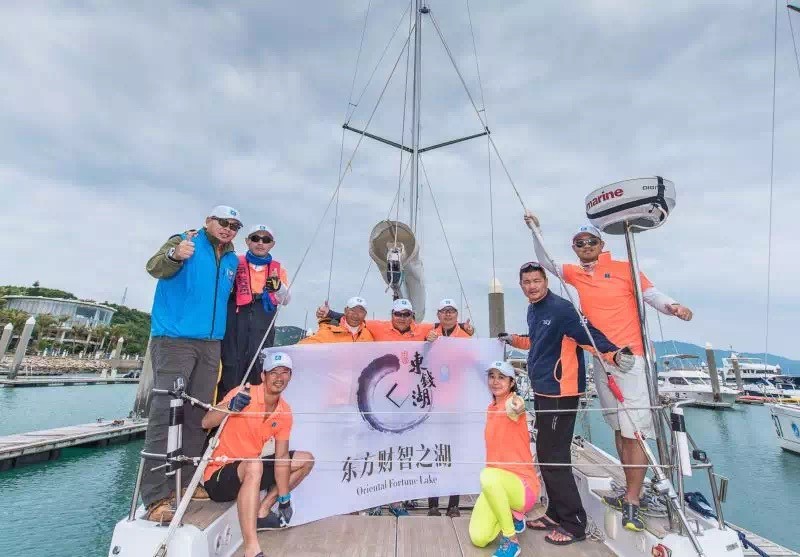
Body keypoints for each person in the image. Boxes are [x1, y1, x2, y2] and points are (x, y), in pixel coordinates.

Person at [525, 212, 693, 532]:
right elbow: (545, 262)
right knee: (618, 428)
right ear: (575, 247)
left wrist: (673, 307)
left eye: (591, 241)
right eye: (579, 242)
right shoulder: (576, 273)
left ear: (601, 244)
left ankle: (633, 499)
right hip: (602, 360)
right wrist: (536, 228)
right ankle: (632, 492)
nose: (585, 246)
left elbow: (651, 294)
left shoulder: (624, 269)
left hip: (631, 357)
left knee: (635, 431)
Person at [500, 262, 632, 545]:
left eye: (536, 280)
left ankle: (574, 523)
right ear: (521, 285)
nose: (532, 286)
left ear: (545, 281)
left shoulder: (562, 309)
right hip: (544, 391)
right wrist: (512, 339)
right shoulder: (534, 309)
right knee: (547, 454)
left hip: (563, 392)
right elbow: (537, 342)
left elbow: (589, 336)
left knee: (555, 458)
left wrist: (614, 354)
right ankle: (556, 512)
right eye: (527, 282)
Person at [142, 205, 242, 522]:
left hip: (211, 344)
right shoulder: (185, 241)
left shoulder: (230, 260)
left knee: (199, 413)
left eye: (234, 225)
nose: (228, 228)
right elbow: (154, 267)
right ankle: (156, 497)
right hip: (175, 340)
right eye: (223, 222)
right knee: (165, 413)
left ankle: (185, 482)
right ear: (208, 222)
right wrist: (174, 254)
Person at [201, 352, 315, 557]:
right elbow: (206, 422)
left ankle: (263, 510)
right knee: (254, 464)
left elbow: (281, 458)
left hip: (252, 471)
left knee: (305, 460)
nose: (279, 377)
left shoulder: (284, 411)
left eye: (284, 372)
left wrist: (284, 498)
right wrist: (230, 406)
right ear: (263, 376)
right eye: (273, 372)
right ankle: (251, 549)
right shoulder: (243, 393)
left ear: (290, 376)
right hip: (219, 476)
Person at [469, 360, 540, 557]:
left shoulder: (512, 402)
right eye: (492, 376)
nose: (495, 381)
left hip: (523, 487)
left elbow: (516, 406)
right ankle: (512, 515)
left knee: (487, 476)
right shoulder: (491, 408)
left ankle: (510, 539)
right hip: (498, 486)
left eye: (501, 377)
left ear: (511, 383)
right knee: (479, 538)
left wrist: (517, 404)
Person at [220, 224, 291, 394]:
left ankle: (255, 411)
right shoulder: (234, 262)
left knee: (259, 367)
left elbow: (286, 300)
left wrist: (278, 286)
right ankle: (225, 413)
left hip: (263, 323)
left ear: (272, 244)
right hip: (236, 319)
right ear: (247, 241)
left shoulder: (278, 269)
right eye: (255, 238)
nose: (260, 243)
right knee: (231, 366)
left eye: (265, 239)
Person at [425, 298, 471, 517]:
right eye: (444, 311)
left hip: (457, 406)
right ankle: (432, 503)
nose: (448, 315)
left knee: (455, 455)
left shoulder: (467, 337)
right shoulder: (429, 334)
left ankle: (453, 503)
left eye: (452, 311)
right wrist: (426, 342)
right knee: (433, 454)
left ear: (457, 314)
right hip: (433, 406)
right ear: (438, 314)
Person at [318, 298, 475, 341]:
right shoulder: (377, 326)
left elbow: (444, 323)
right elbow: (356, 319)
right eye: (398, 314)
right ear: (392, 314)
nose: (401, 318)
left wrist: (463, 327)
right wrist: (330, 313)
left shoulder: (424, 329)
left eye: (406, 314)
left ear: (412, 316)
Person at [299, 296, 373, 344]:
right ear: (345, 311)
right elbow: (302, 347)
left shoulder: (368, 334)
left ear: (365, 314)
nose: (356, 314)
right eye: (353, 310)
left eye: (360, 311)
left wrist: (330, 313)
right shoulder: (329, 331)